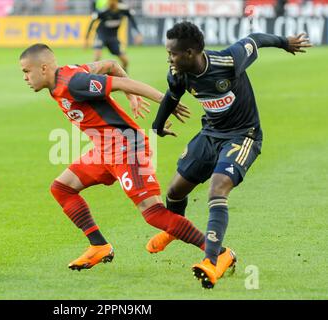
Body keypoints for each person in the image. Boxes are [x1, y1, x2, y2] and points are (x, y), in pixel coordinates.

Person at [19, 43, 236, 277]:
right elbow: (111, 65)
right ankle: (99, 246)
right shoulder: (66, 77)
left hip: (127, 148)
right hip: (104, 150)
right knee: (62, 188)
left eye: (26, 72)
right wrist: (130, 99)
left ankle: (218, 252)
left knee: (152, 213)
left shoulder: (74, 83)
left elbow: (122, 82)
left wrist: (166, 101)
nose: (25, 78)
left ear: (43, 68)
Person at [150, 21, 311, 288]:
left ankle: (214, 261)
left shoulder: (227, 61)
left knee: (217, 190)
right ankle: (174, 229)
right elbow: (172, 95)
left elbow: (254, 39)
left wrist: (285, 42)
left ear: (190, 53)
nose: (169, 58)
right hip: (210, 133)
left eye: (173, 53)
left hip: (243, 135)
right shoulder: (178, 73)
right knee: (175, 191)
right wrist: (157, 126)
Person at [85, 0, 142, 72]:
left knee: (125, 61)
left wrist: (138, 33)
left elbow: (132, 19)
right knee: (97, 57)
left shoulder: (123, 10)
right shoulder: (103, 11)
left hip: (113, 38)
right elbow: (92, 22)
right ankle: (91, 76)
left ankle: (122, 76)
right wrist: (86, 39)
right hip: (101, 36)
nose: (111, 3)